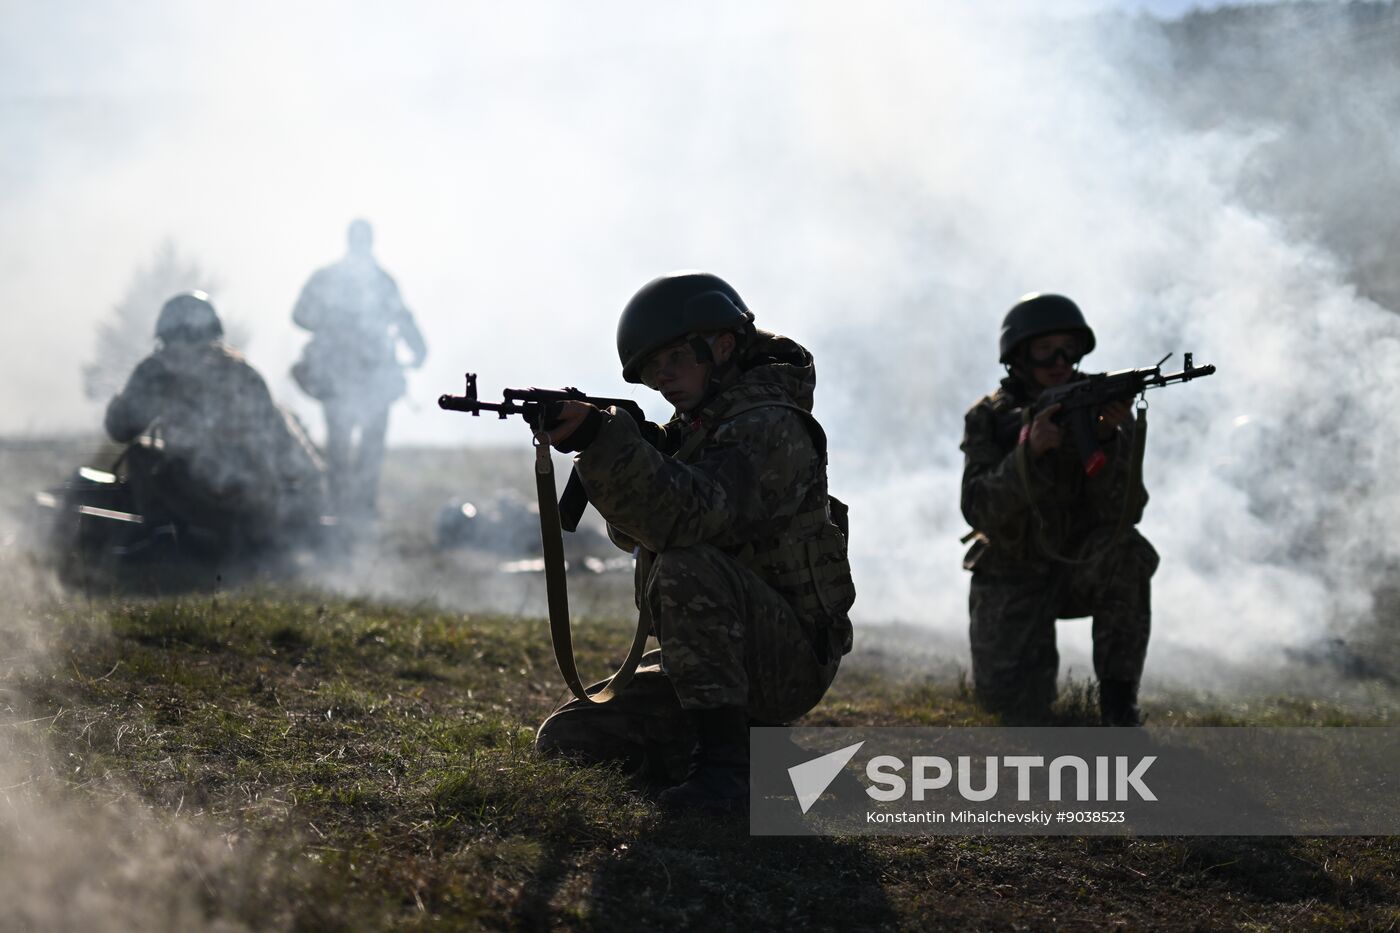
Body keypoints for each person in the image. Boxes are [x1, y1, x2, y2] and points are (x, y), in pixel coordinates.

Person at [534, 271, 856, 811]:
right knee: (569, 739)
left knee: (686, 564)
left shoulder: (770, 424)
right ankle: (771, 760)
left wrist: (610, 444)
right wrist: (620, 447)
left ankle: (726, 773)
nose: (663, 378)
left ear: (723, 347)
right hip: (721, 655)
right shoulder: (698, 426)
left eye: (675, 359)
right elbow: (634, 532)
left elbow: (687, 521)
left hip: (786, 661)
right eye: (651, 370)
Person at [960, 293, 1158, 726]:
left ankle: (1119, 706)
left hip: (1077, 567)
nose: (1059, 360)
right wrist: (1028, 454)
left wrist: (1106, 440)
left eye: (1068, 348)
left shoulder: (1098, 409)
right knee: (1011, 709)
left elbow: (1126, 511)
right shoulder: (990, 417)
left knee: (1127, 551)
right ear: (1018, 356)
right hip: (1011, 573)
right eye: (1045, 349)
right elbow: (977, 508)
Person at [104, 291, 327, 553]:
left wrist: (126, 394)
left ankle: (160, 533)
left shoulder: (158, 370)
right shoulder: (244, 372)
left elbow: (119, 428)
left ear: (165, 335)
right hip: (257, 501)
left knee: (141, 453)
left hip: (203, 498)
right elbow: (282, 438)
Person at [291, 218, 426, 518]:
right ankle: (348, 509)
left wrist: (418, 348)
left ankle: (356, 509)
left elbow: (402, 317)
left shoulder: (356, 280)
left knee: (358, 446)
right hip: (342, 377)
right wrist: (331, 324)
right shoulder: (368, 280)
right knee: (346, 446)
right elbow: (300, 315)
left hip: (367, 377)